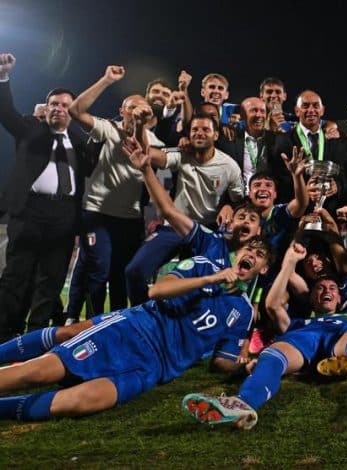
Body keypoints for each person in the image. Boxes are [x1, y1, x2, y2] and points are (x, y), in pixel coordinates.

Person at [0, 238, 267, 422]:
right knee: (39, 371)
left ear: (263, 269)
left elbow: (221, 361)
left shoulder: (244, 312)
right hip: (131, 332)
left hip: (154, 368)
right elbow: (157, 291)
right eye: (249, 249)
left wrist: (243, 366)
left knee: (78, 402)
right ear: (237, 253)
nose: (252, 254)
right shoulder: (204, 266)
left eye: (260, 254)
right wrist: (211, 279)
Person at [181, 242, 347, 429]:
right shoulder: (299, 321)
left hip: (341, 335)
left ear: (340, 298)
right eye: (320, 288)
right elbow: (272, 305)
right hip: (304, 340)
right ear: (311, 297)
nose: (327, 290)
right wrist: (290, 261)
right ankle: (242, 404)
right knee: (272, 353)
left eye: (332, 288)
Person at [0, 53, 91, 340]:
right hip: (30, 211)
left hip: (64, 215)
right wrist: (3, 76)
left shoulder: (80, 142)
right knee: (16, 276)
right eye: (54, 104)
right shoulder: (29, 129)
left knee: (51, 279)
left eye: (65, 105)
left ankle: (37, 337)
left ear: (72, 111)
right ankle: (5, 334)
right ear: (46, 108)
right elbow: (6, 112)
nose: (59, 109)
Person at [66, 65, 166, 316]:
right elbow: (75, 111)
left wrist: (140, 125)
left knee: (121, 275)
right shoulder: (109, 128)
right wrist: (106, 80)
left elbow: (141, 151)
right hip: (97, 212)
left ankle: (117, 323)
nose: (135, 111)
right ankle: (93, 323)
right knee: (98, 271)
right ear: (121, 111)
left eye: (141, 108)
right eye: (130, 107)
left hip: (129, 218)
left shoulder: (155, 141)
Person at [124, 113, 244, 305]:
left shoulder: (229, 166)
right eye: (195, 129)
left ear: (215, 135)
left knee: (199, 290)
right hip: (174, 227)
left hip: (205, 233)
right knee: (134, 271)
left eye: (205, 129)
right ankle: (143, 315)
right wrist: (139, 129)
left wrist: (229, 205)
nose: (199, 133)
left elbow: (240, 201)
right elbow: (148, 153)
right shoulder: (181, 156)